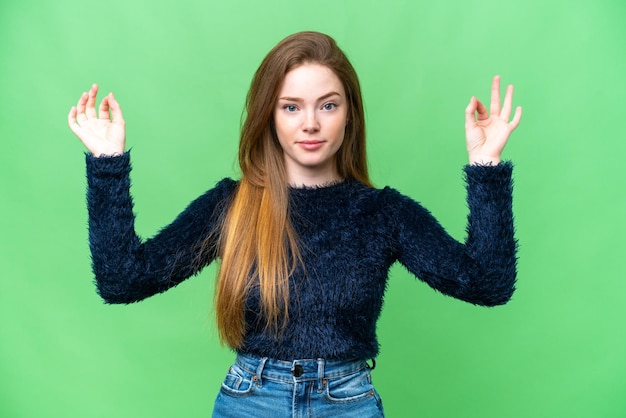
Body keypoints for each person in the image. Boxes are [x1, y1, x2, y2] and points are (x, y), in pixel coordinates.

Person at [68, 31, 521, 417]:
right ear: (270, 114)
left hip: (348, 402)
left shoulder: (383, 213)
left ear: (350, 115)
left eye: (327, 105)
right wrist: (107, 164)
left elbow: (487, 283)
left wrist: (486, 168)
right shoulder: (233, 204)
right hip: (250, 401)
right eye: (291, 107)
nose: (310, 124)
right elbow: (122, 280)